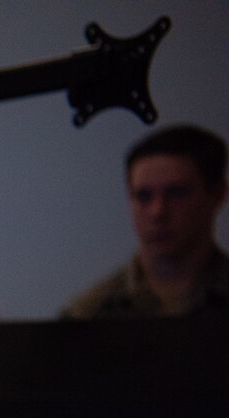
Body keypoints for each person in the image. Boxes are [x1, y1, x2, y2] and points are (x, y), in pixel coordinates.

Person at [63, 123, 228, 319]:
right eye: (143, 196)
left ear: (217, 194)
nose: (157, 212)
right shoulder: (88, 314)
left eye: (177, 193)